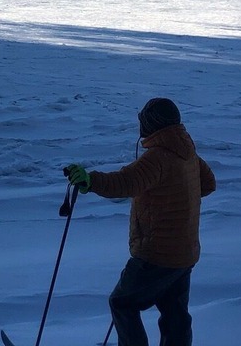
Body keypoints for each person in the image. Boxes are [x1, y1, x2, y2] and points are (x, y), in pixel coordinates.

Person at [66, 97, 216, 346]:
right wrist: (175, 195)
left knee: (122, 302)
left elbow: (125, 182)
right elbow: (208, 184)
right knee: (174, 314)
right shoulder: (186, 151)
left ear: (151, 125)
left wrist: (90, 181)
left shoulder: (158, 158)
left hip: (157, 253)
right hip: (184, 253)